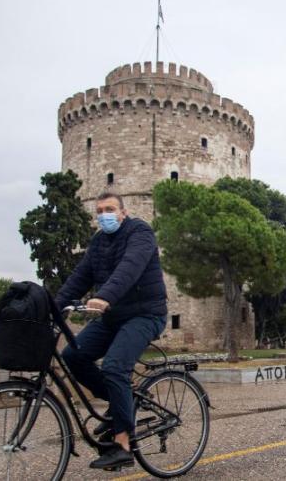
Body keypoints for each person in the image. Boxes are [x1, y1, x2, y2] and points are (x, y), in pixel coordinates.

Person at [57, 192, 167, 470]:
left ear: (123, 212)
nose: (104, 215)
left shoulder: (140, 232)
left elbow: (129, 268)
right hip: (112, 317)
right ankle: (122, 403)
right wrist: (52, 307)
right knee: (73, 355)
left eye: (110, 209)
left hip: (145, 314)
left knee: (115, 366)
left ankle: (122, 444)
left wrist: (105, 296)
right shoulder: (98, 242)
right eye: (100, 211)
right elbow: (80, 277)